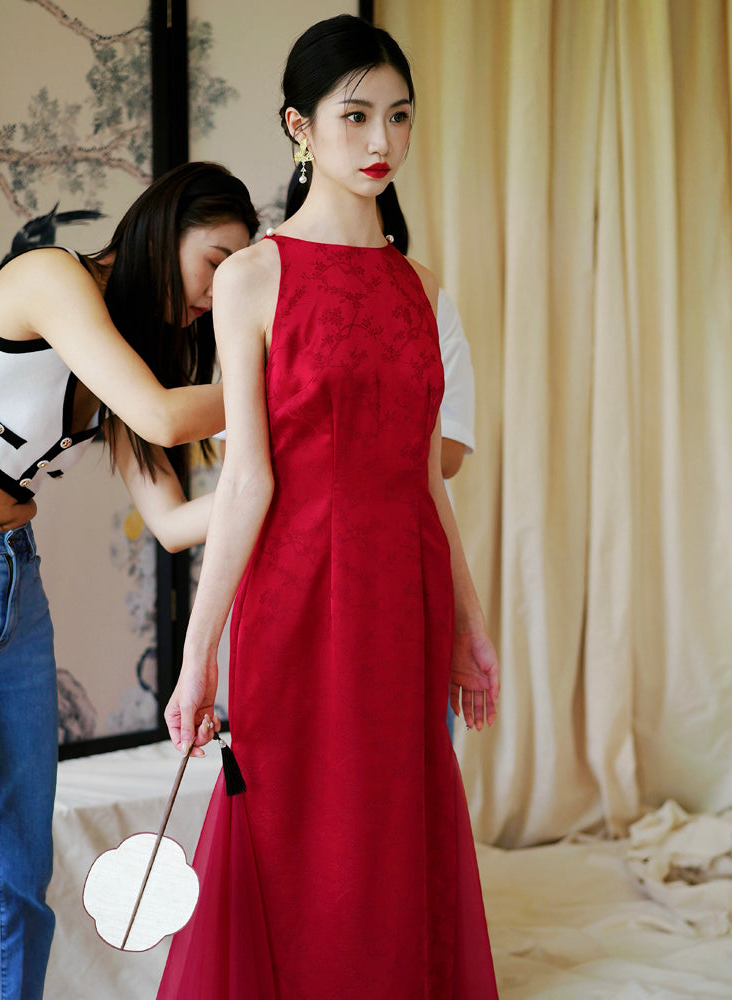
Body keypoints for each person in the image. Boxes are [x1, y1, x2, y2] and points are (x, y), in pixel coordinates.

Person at [158, 15, 500, 998]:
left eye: (398, 117)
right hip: (299, 596)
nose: (380, 142)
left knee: (391, 829)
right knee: (295, 826)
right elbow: (248, 481)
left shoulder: (419, 288)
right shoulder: (253, 278)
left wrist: (471, 628)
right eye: (353, 117)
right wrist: (198, 654)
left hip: (404, 593)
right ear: (299, 127)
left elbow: (426, 478)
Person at [0, 160, 258, 1000]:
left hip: (13, 586)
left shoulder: (129, 364)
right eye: (215, 263)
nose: (218, 295)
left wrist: (276, 487)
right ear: (165, 225)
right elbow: (169, 415)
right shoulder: (50, 278)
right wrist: (287, 377)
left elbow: (176, 525)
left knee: (19, 878)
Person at [285, 175, 477, 480]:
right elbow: (239, 460)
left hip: (411, 511)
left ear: (388, 220)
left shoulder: (428, 296)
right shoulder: (264, 291)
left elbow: (450, 454)